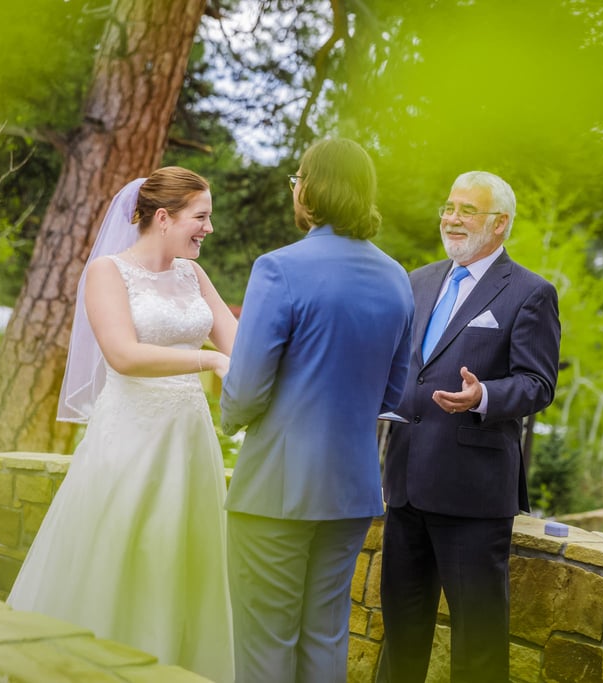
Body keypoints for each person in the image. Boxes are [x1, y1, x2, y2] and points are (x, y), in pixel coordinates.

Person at [7, 167, 237, 683]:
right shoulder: (108, 272)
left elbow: (239, 345)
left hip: (188, 440)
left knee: (178, 559)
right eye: (201, 217)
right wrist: (208, 363)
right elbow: (124, 355)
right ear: (163, 218)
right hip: (130, 437)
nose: (209, 228)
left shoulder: (193, 276)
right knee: (119, 553)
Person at [220, 138, 414, 683]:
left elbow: (247, 386)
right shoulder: (397, 277)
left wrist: (229, 418)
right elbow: (392, 394)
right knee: (326, 635)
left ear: (313, 187)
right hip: (351, 488)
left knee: (265, 640)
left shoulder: (279, 268)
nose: (294, 189)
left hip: (276, 489)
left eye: (296, 178)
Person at [376, 171, 561, 682]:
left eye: (467, 211)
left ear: (500, 224)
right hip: (406, 486)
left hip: (474, 499)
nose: (452, 219)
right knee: (400, 637)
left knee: (478, 647)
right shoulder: (418, 281)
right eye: (449, 208)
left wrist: (485, 396)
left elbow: (538, 384)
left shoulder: (530, 292)